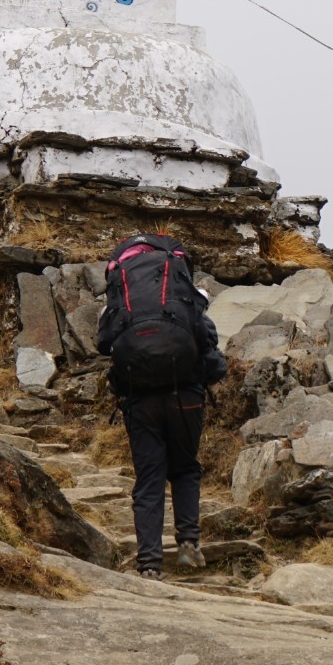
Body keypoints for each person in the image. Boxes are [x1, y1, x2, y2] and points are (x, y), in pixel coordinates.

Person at [96, 233, 226, 581]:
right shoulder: (186, 297)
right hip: (185, 396)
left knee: (149, 478)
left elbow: (102, 343)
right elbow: (208, 343)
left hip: (140, 398)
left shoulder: (121, 302)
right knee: (184, 469)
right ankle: (188, 544)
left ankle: (150, 563)